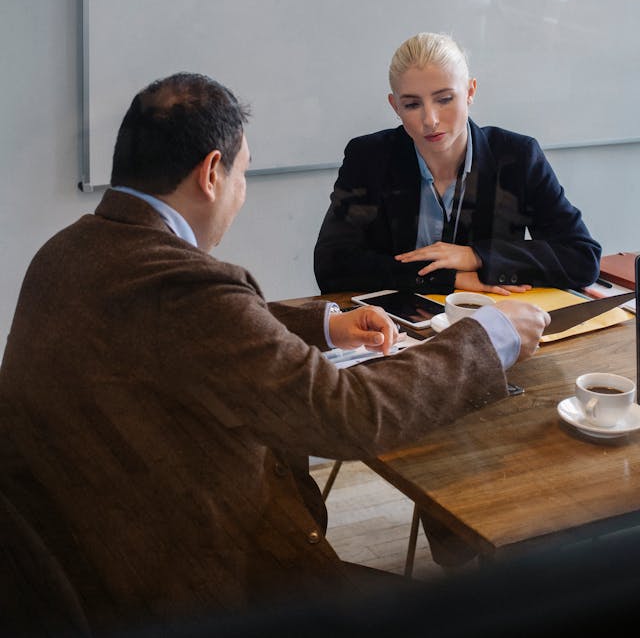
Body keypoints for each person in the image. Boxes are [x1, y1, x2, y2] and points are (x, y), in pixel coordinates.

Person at [0, 73, 549, 634]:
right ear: (211, 173)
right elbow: (350, 414)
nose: (243, 191)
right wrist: (488, 335)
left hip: (91, 564)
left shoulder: (66, 252)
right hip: (204, 587)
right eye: (244, 172)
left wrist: (327, 324)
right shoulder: (188, 291)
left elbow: (169, 331)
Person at [314, 32, 601, 297]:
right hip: (395, 328)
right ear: (395, 106)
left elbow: (581, 257)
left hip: (491, 323)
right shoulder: (369, 156)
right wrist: (446, 278)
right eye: (412, 105)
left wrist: (476, 255)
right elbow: (331, 267)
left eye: (444, 99)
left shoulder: (517, 156)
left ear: (470, 92)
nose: (430, 120)